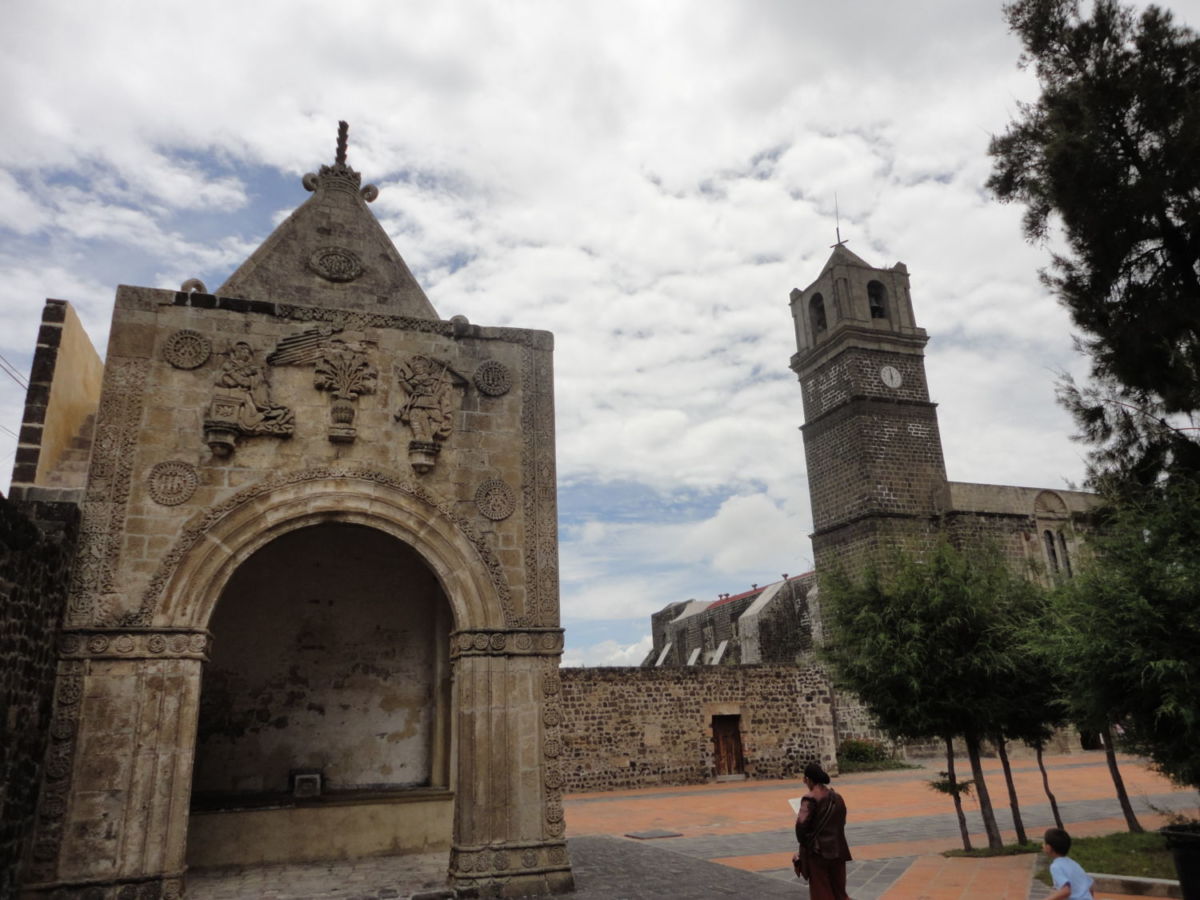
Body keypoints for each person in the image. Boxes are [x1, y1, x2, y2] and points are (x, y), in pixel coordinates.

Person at [794, 762, 852, 900]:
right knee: (840, 892)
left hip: (818, 853)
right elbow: (841, 822)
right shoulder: (837, 798)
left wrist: (806, 845)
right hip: (838, 850)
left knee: (822, 892)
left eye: (805, 779)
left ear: (808, 779)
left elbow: (800, 828)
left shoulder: (809, 799)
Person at [1043, 827, 1094, 900]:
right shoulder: (1073, 863)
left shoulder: (1055, 866)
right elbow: (1090, 887)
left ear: (1048, 848)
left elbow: (1066, 891)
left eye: (1044, 843)